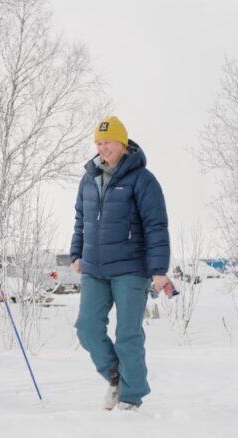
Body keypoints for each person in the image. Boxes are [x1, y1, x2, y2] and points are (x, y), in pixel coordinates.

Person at [70, 116, 173, 411]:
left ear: (123, 143)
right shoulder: (89, 178)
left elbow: (156, 225)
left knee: (128, 335)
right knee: (87, 329)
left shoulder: (143, 180)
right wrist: (76, 253)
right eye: (99, 143)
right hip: (94, 268)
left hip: (130, 268)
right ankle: (116, 376)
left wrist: (159, 270)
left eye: (108, 142)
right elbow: (81, 219)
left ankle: (131, 396)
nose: (103, 148)